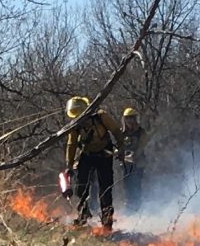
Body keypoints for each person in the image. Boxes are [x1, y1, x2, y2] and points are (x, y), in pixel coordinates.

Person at [61, 96, 119, 232]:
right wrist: (69, 165)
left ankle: (107, 221)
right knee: (80, 187)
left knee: (105, 188)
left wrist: (121, 148)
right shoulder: (75, 126)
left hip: (104, 155)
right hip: (87, 155)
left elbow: (116, 131)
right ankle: (83, 213)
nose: (79, 119)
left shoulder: (101, 117)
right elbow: (71, 144)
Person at [118, 105, 145, 214]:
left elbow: (142, 146)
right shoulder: (122, 133)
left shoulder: (141, 132)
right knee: (127, 185)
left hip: (138, 163)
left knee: (136, 185)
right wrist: (118, 152)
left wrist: (134, 155)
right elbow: (119, 147)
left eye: (131, 118)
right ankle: (129, 207)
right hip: (126, 164)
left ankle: (138, 207)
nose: (129, 121)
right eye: (127, 118)